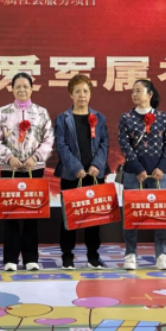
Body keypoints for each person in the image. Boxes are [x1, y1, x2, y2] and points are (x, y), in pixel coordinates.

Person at [0, 73, 54, 272]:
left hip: (34, 169)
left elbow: (49, 139)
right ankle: (10, 258)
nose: (22, 90)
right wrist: (9, 157)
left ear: (32, 89)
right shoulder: (3, 112)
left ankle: (31, 258)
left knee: (32, 215)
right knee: (10, 215)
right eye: (18, 86)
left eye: (26, 86)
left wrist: (36, 157)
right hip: (10, 169)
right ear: (12, 89)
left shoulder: (41, 112)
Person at [55, 75, 110, 270]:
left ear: (90, 94)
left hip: (94, 174)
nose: (82, 95)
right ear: (71, 94)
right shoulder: (63, 119)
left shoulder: (99, 118)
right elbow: (61, 145)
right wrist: (75, 167)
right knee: (69, 217)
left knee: (94, 217)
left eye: (85, 91)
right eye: (77, 91)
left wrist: (97, 164)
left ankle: (93, 256)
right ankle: (67, 256)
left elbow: (104, 143)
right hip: (71, 175)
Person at [119, 80, 166, 272]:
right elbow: (124, 145)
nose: (134, 94)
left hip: (159, 174)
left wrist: (162, 167)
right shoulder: (126, 117)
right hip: (134, 174)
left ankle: (161, 254)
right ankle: (130, 254)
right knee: (131, 216)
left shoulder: (163, 117)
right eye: (133, 91)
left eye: (139, 91)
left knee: (161, 215)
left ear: (150, 94)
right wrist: (137, 168)